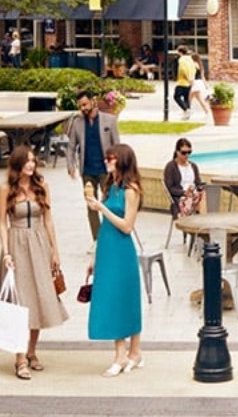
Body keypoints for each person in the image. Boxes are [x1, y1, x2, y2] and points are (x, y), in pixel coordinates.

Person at [0, 146, 68, 380]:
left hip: (39, 244)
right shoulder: (6, 189)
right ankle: (19, 358)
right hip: (16, 245)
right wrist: (6, 253)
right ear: (17, 163)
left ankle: (31, 351)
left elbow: (48, 219)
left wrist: (55, 251)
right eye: (27, 161)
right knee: (20, 303)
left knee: (38, 299)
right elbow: (2, 223)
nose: (31, 165)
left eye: (33, 161)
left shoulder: (41, 186)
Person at [86, 144, 143, 377]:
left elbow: (127, 226)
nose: (107, 161)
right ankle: (125, 353)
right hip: (107, 249)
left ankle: (129, 353)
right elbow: (105, 227)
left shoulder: (131, 190)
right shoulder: (111, 187)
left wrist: (101, 208)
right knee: (110, 299)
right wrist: (94, 254)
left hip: (122, 251)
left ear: (123, 161)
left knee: (124, 300)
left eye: (112, 158)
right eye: (107, 158)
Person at [67, 89, 120, 242]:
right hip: (87, 171)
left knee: (109, 204)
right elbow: (71, 147)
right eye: (80, 106)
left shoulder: (109, 120)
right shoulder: (77, 123)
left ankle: (111, 236)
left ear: (92, 101)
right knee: (91, 206)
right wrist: (71, 166)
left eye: (85, 104)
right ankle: (97, 239)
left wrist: (117, 167)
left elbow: (117, 145)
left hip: (106, 171)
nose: (83, 108)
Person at [163, 137, 204, 217]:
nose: (187, 155)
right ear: (177, 152)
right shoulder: (171, 167)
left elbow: (198, 183)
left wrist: (200, 191)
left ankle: (202, 224)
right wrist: (185, 193)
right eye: (184, 152)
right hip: (181, 197)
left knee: (206, 195)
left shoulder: (193, 166)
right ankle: (198, 225)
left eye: (189, 152)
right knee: (195, 202)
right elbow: (170, 188)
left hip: (195, 195)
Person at [174, 46, 210, 120]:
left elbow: (190, 73)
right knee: (195, 99)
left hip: (194, 83)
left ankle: (187, 111)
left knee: (190, 99)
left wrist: (191, 81)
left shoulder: (193, 64)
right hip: (199, 83)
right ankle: (187, 111)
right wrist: (205, 84)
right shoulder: (200, 65)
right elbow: (202, 76)